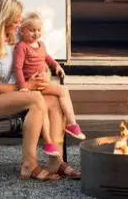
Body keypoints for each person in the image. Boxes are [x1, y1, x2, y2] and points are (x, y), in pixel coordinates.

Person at [0, 0, 80, 180]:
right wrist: (28, 85)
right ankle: (29, 165)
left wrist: (43, 74)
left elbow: (33, 58)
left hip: (13, 93)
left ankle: (55, 161)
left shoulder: (13, 39)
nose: (19, 24)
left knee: (54, 101)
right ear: (3, 19)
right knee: (35, 99)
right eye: (15, 21)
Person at [12, 12, 85, 157]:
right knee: (44, 106)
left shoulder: (41, 45)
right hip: (32, 85)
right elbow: (17, 68)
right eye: (32, 30)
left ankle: (71, 123)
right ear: (22, 31)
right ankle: (48, 141)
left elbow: (47, 57)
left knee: (63, 91)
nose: (36, 33)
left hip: (42, 83)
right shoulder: (22, 47)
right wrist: (23, 86)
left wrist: (56, 66)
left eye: (38, 30)